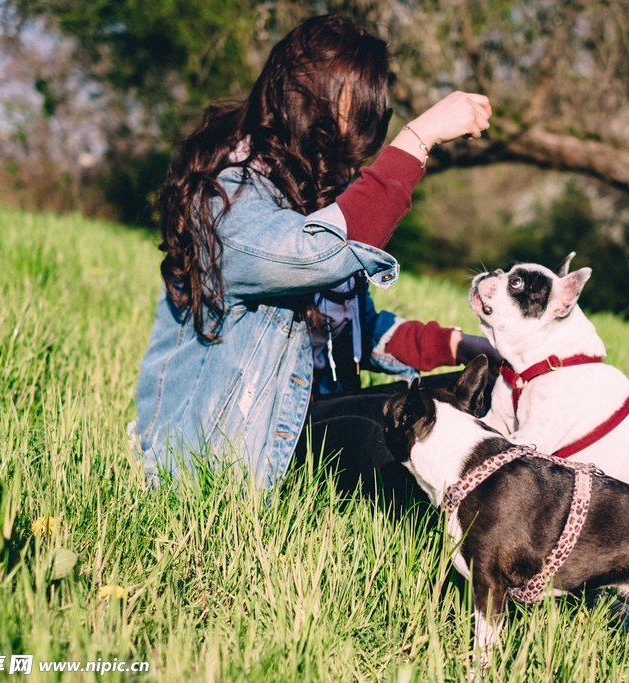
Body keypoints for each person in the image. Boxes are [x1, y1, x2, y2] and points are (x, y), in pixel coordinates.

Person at [134, 14, 492, 488]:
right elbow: (319, 254)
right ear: (307, 107)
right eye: (347, 124)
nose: (353, 151)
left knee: (465, 401)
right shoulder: (229, 196)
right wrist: (417, 139)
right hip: (233, 450)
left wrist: (457, 346)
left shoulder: (315, 190)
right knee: (398, 432)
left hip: (304, 419)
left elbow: (354, 328)